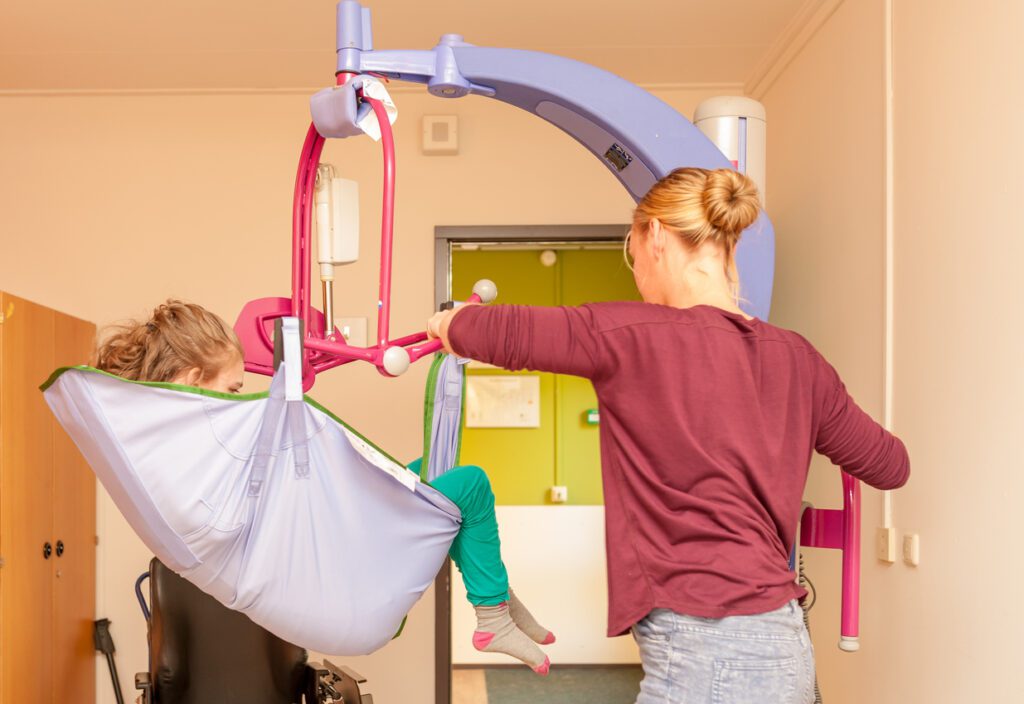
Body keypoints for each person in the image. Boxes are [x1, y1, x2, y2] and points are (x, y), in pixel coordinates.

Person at [427, 167, 910, 703]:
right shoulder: (798, 358)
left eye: (631, 253)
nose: (636, 273)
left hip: (710, 655)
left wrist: (447, 322)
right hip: (786, 648)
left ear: (655, 235)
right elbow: (890, 465)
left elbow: (485, 330)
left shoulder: (630, 335)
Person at [95, 299, 555, 674]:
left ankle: (495, 595)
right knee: (469, 485)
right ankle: (493, 614)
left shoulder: (171, 453)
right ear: (195, 379)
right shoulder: (203, 456)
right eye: (234, 390)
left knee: (431, 478)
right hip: (341, 577)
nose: (238, 401)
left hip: (329, 553)